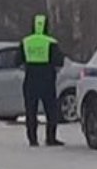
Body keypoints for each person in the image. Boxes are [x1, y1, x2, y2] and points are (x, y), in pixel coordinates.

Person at [19, 14, 65, 147]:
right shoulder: (51, 42)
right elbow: (59, 61)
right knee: (51, 110)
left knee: (31, 111)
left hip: (30, 79)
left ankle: (32, 139)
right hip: (47, 80)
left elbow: (17, 60)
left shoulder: (26, 41)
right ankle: (51, 138)